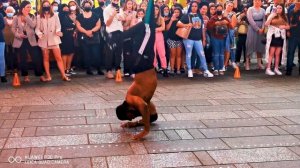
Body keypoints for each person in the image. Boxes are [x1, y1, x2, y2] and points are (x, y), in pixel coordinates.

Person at [116, 0, 158, 140]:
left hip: (141, 62)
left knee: (147, 27)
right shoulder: (143, 99)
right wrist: (136, 123)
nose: (133, 116)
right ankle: (123, 36)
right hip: (144, 63)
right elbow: (152, 116)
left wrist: (145, 130)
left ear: (128, 112)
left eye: (130, 117)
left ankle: (121, 36)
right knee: (147, 27)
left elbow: (144, 109)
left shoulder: (131, 98)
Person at [177, 1, 213, 78]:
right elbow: (178, 24)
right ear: (190, 7)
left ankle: (206, 70)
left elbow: (202, 28)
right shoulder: (186, 16)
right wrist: (186, 24)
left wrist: (204, 39)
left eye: (195, 6)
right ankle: (190, 70)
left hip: (198, 39)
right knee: (189, 54)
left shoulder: (199, 16)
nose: (194, 7)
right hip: (189, 38)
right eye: (192, 6)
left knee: (202, 54)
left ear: (197, 7)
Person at [36, 0, 70, 81]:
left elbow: (58, 26)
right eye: (44, 5)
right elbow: (37, 29)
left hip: (54, 39)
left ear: (50, 6)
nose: (46, 6)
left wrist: (58, 31)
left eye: (48, 5)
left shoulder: (55, 15)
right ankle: (48, 76)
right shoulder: (39, 16)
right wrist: (39, 34)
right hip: (43, 40)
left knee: (58, 58)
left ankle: (63, 75)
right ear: (42, 7)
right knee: (46, 58)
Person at [12, 1, 44, 82]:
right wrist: (18, 35)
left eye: (30, 7)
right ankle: (25, 76)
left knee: (36, 57)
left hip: (31, 39)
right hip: (21, 39)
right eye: (27, 7)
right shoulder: (16, 17)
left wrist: (26, 16)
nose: (29, 8)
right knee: (23, 58)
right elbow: (13, 28)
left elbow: (33, 25)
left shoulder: (32, 16)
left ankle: (40, 75)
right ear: (22, 8)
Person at [76, 0, 101, 75]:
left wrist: (91, 31)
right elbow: (78, 26)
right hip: (84, 37)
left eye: (89, 5)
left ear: (91, 6)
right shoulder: (79, 16)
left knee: (96, 54)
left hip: (94, 37)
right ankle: (88, 69)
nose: (87, 6)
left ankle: (99, 69)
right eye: (86, 5)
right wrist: (86, 32)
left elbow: (98, 25)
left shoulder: (95, 15)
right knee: (87, 54)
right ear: (83, 6)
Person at [207, 3, 232, 75]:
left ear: (222, 10)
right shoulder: (213, 18)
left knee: (221, 54)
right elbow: (208, 27)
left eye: (220, 9)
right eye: (218, 9)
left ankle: (221, 68)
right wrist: (215, 24)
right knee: (216, 53)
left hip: (223, 37)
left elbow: (231, 27)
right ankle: (215, 68)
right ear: (216, 10)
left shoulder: (225, 18)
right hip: (215, 37)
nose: (219, 10)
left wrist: (227, 23)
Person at [264, 3, 289, 75]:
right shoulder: (272, 15)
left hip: (280, 36)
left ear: (282, 9)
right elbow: (266, 24)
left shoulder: (284, 17)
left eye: (280, 8)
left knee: (278, 54)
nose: (278, 9)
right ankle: (268, 68)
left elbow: (288, 27)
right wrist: (271, 16)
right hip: (273, 36)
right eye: (277, 8)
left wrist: (283, 27)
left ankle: (276, 68)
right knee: (271, 53)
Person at [103, 0, 125, 79]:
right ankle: (108, 70)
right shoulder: (106, 9)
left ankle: (117, 69)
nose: (116, 1)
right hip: (111, 32)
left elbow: (123, 19)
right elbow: (107, 23)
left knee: (119, 52)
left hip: (120, 31)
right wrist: (113, 15)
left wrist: (121, 17)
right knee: (110, 52)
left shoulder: (120, 9)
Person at [245, 0, 266, 70]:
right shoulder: (250, 9)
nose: (257, 2)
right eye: (256, 1)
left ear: (260, 2)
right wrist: (257, 29)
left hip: (261, 29)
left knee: (260, 46)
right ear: (253, 1)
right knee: (250, 45)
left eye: (258, 1)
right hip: (252, 29)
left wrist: (262, 28)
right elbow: (250, 20)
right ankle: (247, 63)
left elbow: (264, 20)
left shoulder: (263, 10)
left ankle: (259, 64)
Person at [59, 4, 76, 76]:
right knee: (65, 53)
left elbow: (74, 24)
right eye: (64, 9)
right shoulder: (59, 16)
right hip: (64, 37)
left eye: (67, 9)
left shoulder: (68, 16)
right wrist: (71, 25)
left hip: (71, 36)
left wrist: (72, 25)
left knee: (71, 52)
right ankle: (64, 70)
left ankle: (68, 69)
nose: (66, 10)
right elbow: (66, 24)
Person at [286, 0, 300, 76]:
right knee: (290, 52)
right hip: (293, 33)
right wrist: (295, 10)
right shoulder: (292, 7)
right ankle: (289, 70)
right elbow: (288, 20)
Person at [0, 12, 6, 83]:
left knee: (1, 58)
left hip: (0, 39)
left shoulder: (0, 15)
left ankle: (2, 75)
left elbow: (2, 25)